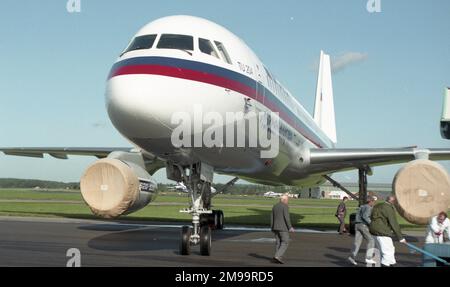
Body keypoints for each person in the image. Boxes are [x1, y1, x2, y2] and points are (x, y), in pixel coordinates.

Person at [369, 195, 406, 267]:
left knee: (389, 250)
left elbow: (371, 217)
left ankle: (391, 264)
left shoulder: (378, 205)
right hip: (382, 232)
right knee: (387, 253)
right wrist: (401, 237)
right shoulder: (388, 208)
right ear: (392, 202)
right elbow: (393, 223)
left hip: (374, 232)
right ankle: (386, 264)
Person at [348, 196, 377, 266]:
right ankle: (369, 258)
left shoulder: (362, 206)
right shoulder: (368, 207)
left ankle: (352, 257)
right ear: (370, 201)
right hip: (363, 225)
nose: (374, 203)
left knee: (357, 243)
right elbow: (365, 216)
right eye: (373, 201)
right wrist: (371, 224)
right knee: (371, 240)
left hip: (357, 225)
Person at [271, 194, 295, 264]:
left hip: (275, 227)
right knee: (285, 242)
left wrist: (272, 227)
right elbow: (286, 218)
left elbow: (272, 217)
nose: (288, 202)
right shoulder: (285, 206)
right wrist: (290, 227)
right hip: (283, 228)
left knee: (278, 243)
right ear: (284, 200)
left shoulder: (275, 206)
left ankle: (278, 258)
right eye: (287, 200)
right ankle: (277, 256)